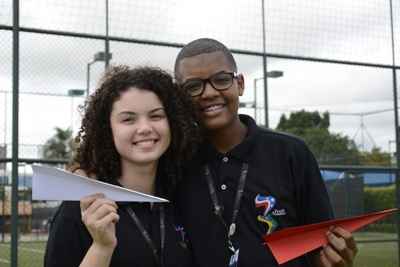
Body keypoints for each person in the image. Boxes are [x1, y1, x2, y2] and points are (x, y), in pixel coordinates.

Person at [174, 38, 358, 267]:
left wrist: (331, 258)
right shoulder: (175, 161)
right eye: (193, 86)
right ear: (179, 96)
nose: (208, 93)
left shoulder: (291, 153)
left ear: (239, 84)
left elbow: (321, 245)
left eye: (221, 80)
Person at [44, 65, 201, 267]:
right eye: (128, 119)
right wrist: (101, 247)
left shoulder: (183, 195)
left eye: (156, 116)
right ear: (108, 129)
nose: (145, 128)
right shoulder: (81, 207)